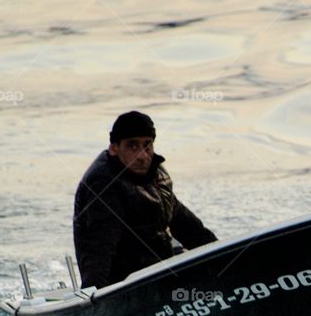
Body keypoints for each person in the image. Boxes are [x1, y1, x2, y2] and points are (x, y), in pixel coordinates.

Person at [73, 111, 217, 289]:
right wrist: (92, 295)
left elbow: (188, 227)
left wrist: (225, 260)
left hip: (161, 272)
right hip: (124, 286)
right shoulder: (103, 184)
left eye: (147, 146)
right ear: (114, 148)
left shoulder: (158, 175)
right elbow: (100, 247)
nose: (142, 156)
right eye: (133, 146)